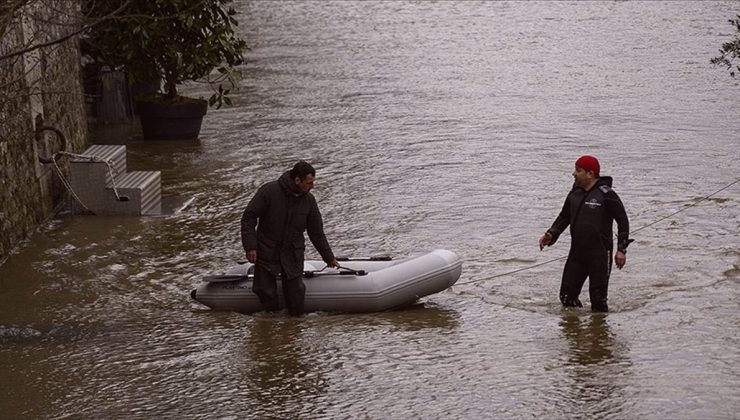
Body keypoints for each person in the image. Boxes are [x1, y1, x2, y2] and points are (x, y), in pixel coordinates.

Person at [241, 161, 340, 316]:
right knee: (264, 290)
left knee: (296, 293)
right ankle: (271, 321)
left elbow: (316, 232)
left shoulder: (309, 201)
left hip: (292, 253)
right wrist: (250, 247)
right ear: (297, 180)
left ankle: (293, 330)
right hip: (267, 250)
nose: (312, 186)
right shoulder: (269, 191)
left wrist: (329, 257)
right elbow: (248, 218)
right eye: (309, 183)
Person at [538, 155, 632, 312]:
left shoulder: (607, 194)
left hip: (600, 255)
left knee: (598, 302)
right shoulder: (575, 193)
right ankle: (577, 332)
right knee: (566, 298)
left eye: (578, 170)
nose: (574, 174)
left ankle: (599, 334)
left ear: (591, 173)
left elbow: (623, 221)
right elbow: (564, 217)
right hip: (576, 254)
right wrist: (551, 234)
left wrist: (621, 250)